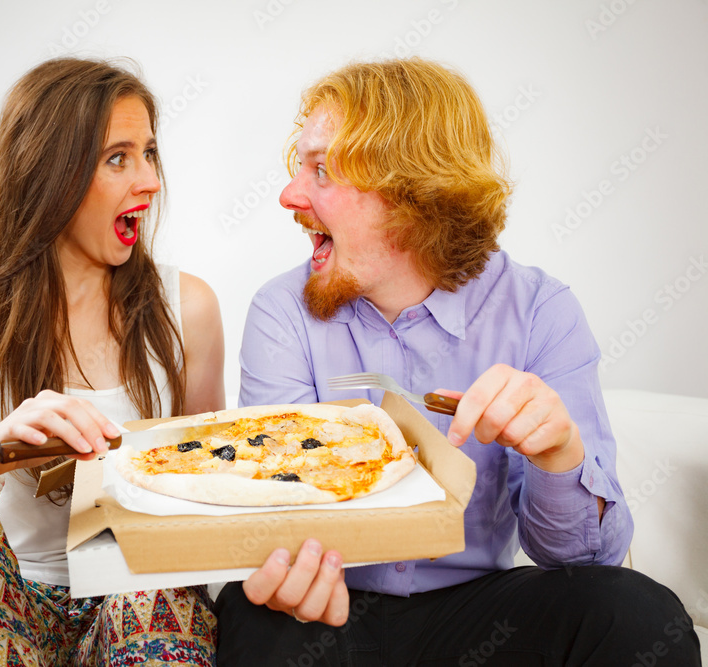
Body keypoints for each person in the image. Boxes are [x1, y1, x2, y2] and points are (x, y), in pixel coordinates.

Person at [215, 58, 701, 665]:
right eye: (299, 168)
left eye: (322, 172)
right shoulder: (282, 311)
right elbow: (279, 509)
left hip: (478, 612)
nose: (290, 195)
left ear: (412, 196)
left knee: (634, 613)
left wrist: (557, 455)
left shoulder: (540, 312)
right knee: (253, 616)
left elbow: (581, 565)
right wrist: (282, 561)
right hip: (328, 605)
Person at [0, 58, 224, 667]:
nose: (149, 181)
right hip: (0, 599)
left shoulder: (188, 307)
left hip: (128, 597)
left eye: (150, 153)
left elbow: (206, 499)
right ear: (51, 174)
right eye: (118, 158)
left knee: (157, 580)